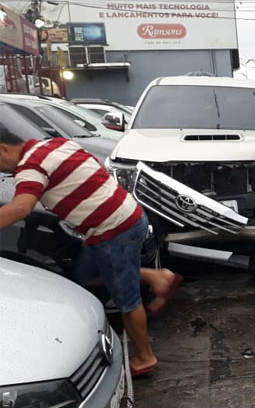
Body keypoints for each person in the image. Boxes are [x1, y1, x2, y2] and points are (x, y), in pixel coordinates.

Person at [0, 130, 181, 377]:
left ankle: (145, 357)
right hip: (130, 216)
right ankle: (156, 277)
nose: (2, 172)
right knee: (86, 274)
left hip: (113, 232)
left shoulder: (30, 168)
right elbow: (95, 166)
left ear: (3, 149)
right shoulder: (56, 144)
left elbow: (21, 207)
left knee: (126, 301)